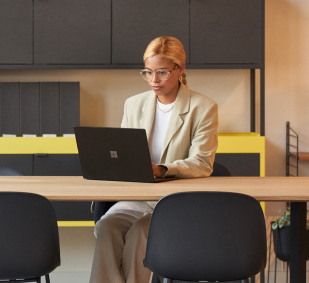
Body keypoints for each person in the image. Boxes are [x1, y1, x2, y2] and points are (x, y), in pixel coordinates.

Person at [89, 36, 218, 283]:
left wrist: (162, 169)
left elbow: (202, 163)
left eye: (162, 72)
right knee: (107, 226)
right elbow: (125, 154)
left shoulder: (203, 107)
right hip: (138, 197)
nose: (153, 80)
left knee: (140, 232)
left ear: (180, 69)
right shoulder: (134, 104)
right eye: (147, 72)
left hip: (176, 202)